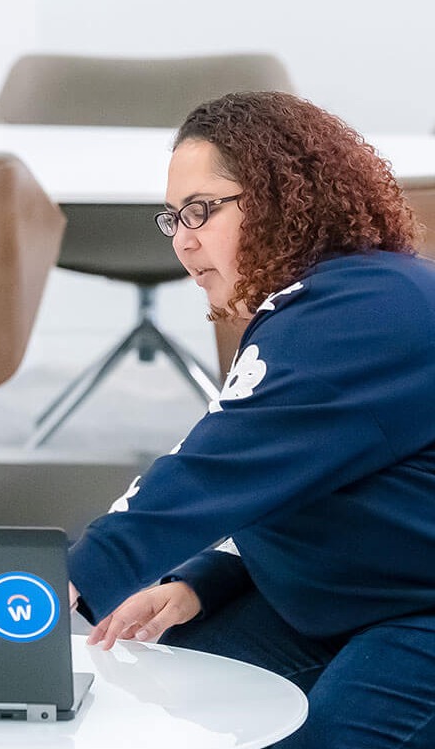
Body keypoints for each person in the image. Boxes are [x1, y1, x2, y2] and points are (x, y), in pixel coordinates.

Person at [68, 91, 435, 748]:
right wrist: (207, 578)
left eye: (202, 211)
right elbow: (292, 480)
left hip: (417, 612)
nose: (184, 241)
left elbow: (211, 471)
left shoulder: (364, 313)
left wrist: (66, 577)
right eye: (174, 218)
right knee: (157, 674)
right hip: (359, 593)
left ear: (280, 197)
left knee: (314, 737)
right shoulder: (318, 302)